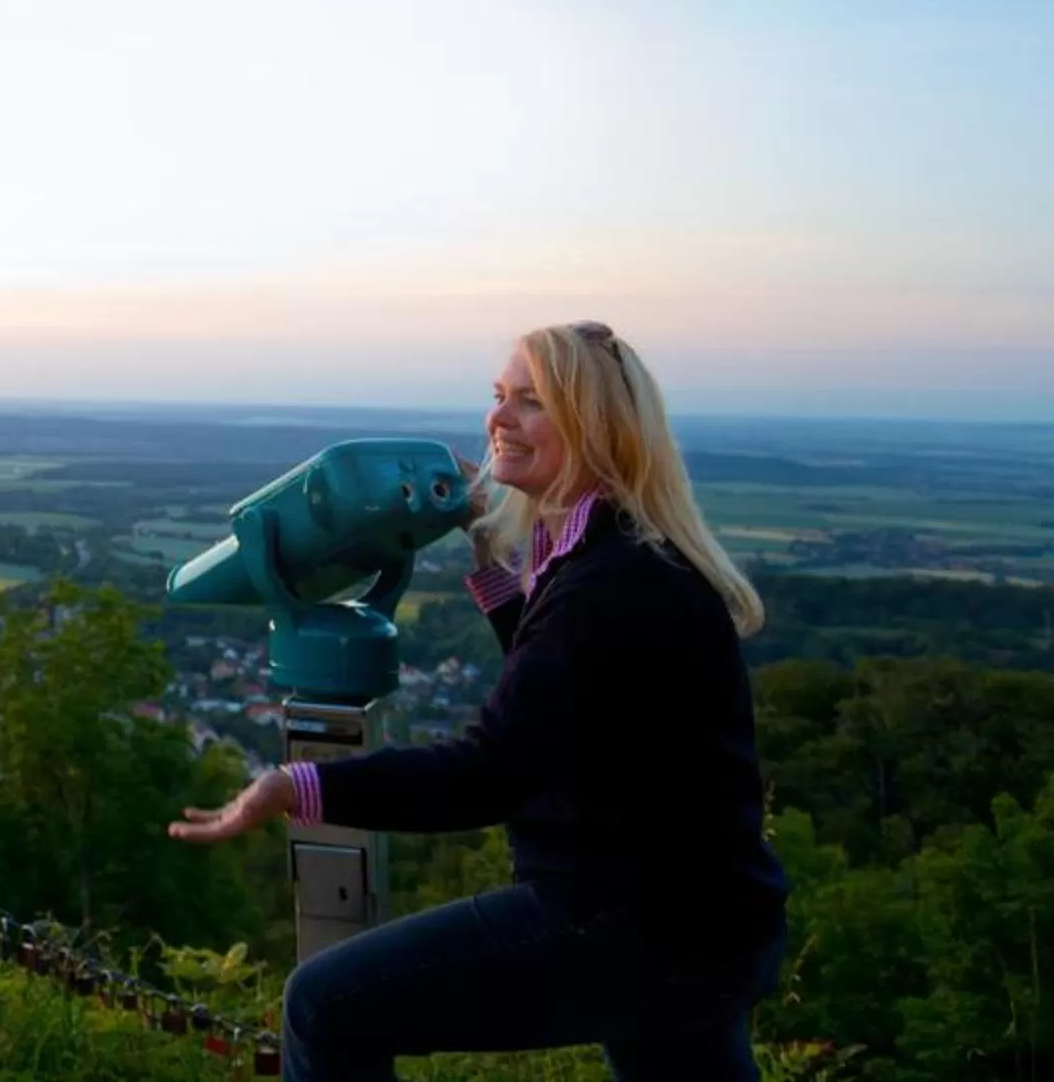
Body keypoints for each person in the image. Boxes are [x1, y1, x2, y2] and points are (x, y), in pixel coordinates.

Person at [167, 322, 787, 1080]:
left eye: (532, 402)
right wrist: (490, 553)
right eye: (499, 397)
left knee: (326, 1007)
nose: (499, 418)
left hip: (630, 924)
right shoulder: (620, 556)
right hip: (707, 918)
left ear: (597, 428)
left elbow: (493, 769)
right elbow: (561, 684)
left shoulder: (613, 583)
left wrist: (297, 785)